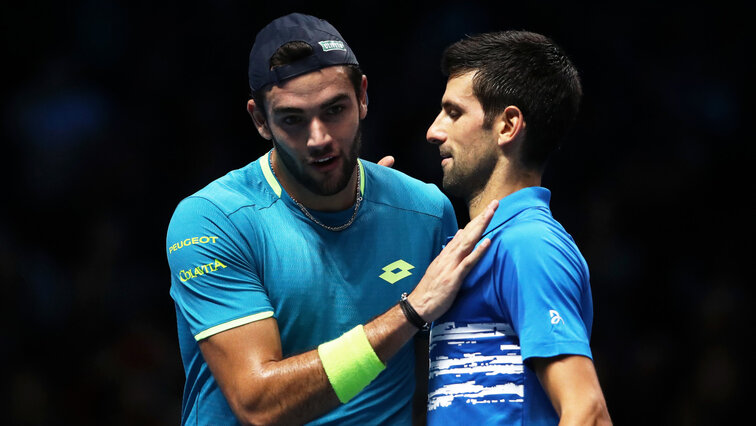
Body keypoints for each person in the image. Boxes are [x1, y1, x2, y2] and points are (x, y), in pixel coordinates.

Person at [166, 13, 497, 425]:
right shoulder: (212, 221)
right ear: (259, 120)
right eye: (293, 119)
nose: (319, 137)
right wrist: (409, 313)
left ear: (362, 96)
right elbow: (259, 404)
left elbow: (440, 384)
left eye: (334, 109)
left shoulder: (425, 212)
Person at [424, 31, 612, 425]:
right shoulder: (479, 246)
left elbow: (588, 411)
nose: (434, 131)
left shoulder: (529, 244)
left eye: (454, 112)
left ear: (508, 125)